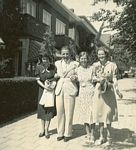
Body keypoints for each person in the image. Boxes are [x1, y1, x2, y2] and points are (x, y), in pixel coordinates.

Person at [92, 47, 123, 145]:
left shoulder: (112, 65)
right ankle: (101, 137)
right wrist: (97, 80)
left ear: (106, 54)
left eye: (102, 54)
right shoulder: (95, 65)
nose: (101, 56)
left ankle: (109, 138)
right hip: (99, 91)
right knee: (100, 114)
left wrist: (117, 90)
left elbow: (114, 79)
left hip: (109, 90)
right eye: (99, 54)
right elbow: (92, 77)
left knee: (108, 114)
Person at [55, 46, 79, 142]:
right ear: (61, 54)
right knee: (60, 112)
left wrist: (75, 77)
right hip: (59, 88)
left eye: (67, 53)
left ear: (70, 54)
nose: (65, 55)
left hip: (70, 88)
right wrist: (55, 76)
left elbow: (79, 75)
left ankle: (68, 133)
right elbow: (54, 74)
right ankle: (60, 133)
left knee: (69, 112)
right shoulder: (57, 63)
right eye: (63, 53)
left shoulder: (75, 64)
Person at [75, 51, 95, 144]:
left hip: (91, 93)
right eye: (82, 58)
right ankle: (88, 133)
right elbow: (74, 77)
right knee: (85, 114)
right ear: (79, 59)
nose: (84, 60)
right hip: (82, 94)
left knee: (92, 114)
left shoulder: (92, 68)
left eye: (85, 58)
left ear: (88, 59)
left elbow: (95, 78)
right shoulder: (77, 69)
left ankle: (93, 134)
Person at [35, 54, 56, 139]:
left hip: (50, 90)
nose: (45, 61)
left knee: (49, 109)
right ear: (41, 60)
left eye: (47, 59)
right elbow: (37, 80)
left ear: (49, 59)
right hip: (42, 90)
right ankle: (42, 130)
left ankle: (47, 130)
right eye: (44, 59)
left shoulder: (53, 67)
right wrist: (44, 86)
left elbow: (56, 77)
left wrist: (51, 84)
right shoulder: (38, 67)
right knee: (42, 109)